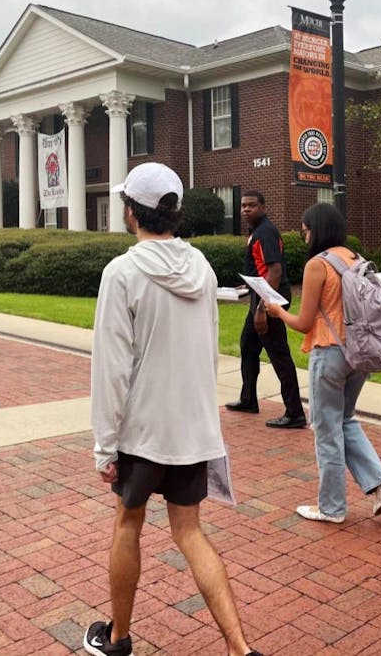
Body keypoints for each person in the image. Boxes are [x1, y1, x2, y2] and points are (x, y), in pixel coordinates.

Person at [85, 163, 262, 656]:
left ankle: (118, 637)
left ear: (131, 211)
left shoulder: (121, 273)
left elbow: (112, 367)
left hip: (142, 429)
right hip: (191, 426)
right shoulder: (202, 269)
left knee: (128, 522)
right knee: (190, 532)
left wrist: (105, 445)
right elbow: (208, 351)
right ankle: (239, 647)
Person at [265, 203, 381, 523]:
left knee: (326, 430)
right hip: (359, 354)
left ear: (317, 229)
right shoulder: (356, 260)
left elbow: (304, 321)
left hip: (329, 352)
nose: (304, 234)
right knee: (345, 419)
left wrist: (278, 311)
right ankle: (380, 481)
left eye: (305, 228)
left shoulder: (318, 265)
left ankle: (332, 507)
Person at [225, 190, 307, 429]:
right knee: (248, 346)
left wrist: (263, 308)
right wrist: (249, 281)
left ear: (263, 207)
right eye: (243, 206)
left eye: (251, 205)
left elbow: (275, 271)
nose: (246, 210)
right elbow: (261, 269)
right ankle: (248, 399)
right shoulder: (256, 232)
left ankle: (295, 412)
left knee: (279, 355)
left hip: (270, 300)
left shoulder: (266, 232)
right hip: (260, 294)